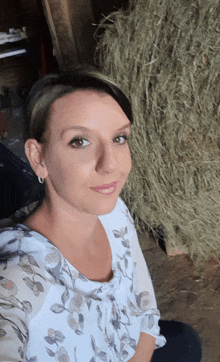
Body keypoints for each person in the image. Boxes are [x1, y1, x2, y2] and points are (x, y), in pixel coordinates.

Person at [0, 66, 202, 362]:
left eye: (119, 138)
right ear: (38, 158)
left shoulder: (113, 211)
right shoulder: (19, 279)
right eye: (80, 141)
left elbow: (145, 307)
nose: (111, 165)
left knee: (186, 341)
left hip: (127, 346)